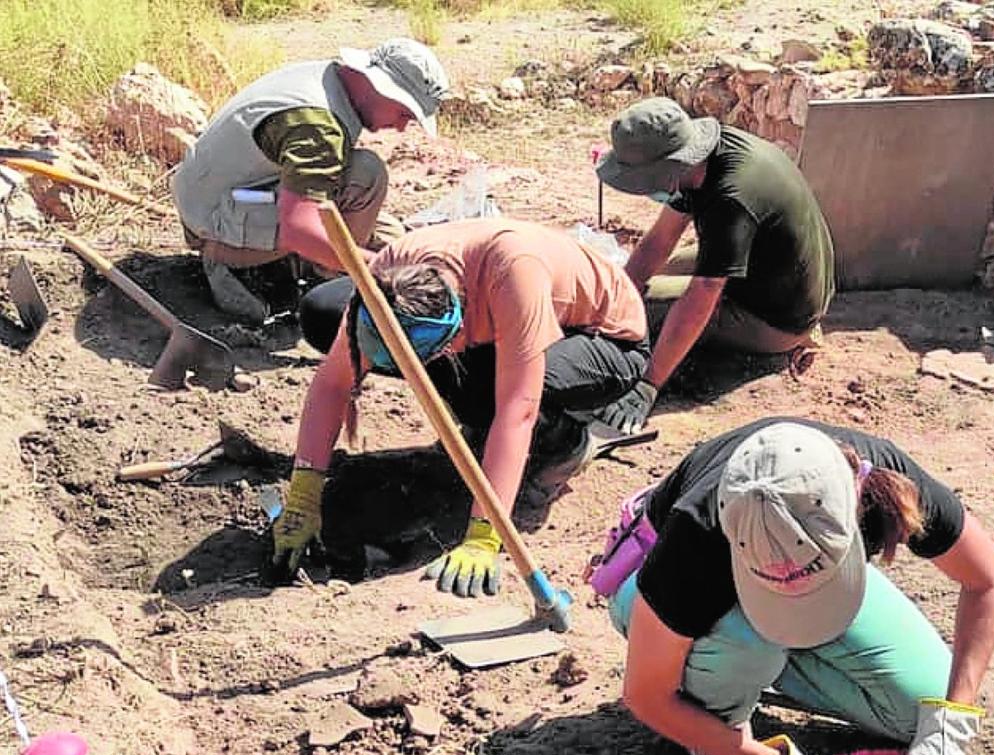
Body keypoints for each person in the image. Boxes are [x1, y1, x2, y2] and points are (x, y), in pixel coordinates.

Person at [598, 418, 994, 755]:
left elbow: (987, 579)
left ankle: (757, 669)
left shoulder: (882, 476)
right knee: (747, 644)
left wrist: (953, 719)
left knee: (927, 702)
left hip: (765, 608)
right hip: (664, 603)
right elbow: (646, 694)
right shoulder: (697, 535)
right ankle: (717, 740)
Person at [270, 218, 650, 596]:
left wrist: (484, 535)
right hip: (488, 320)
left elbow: (519, 409)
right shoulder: (389, 273)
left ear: (454, 333)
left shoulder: (514, 276)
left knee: (491, 395)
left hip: (605, 341)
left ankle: (564, 442)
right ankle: (480, 426)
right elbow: (334, 381)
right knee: (324, 311)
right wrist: (303, 494)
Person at [593, 98, 835, 435]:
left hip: (777, 316)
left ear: (667, 167)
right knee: (628, 296)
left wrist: (649, 383)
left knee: (641, 310)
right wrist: (611, 299)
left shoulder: (731, 199)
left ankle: (783, 340)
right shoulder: (703, 161)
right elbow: (660, 241)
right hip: (778, 270)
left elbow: (703, 294)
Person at [173, 38, 449, 324]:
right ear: (378, 85)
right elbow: (299, 232)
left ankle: (316, 262)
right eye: (404, 112)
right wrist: (378, 270)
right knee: (366, 177)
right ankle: (259, 272)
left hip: (218, 196)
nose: (402, 127)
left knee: (390, 233)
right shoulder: (318, 128)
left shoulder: (326, 78)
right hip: (214, 223)